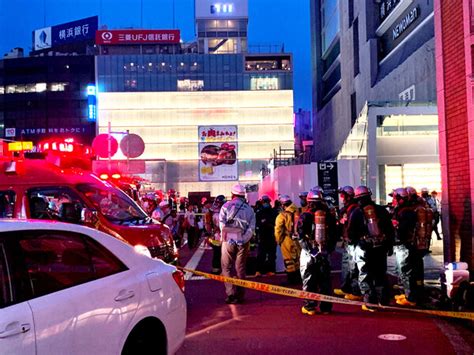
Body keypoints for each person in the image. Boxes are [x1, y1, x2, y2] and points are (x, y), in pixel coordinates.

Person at [351, 186, 394, 311]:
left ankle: (370, 302)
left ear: (358, 199)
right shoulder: (382, 210)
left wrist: (357, 242)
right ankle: (383, 300)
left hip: (364, 248)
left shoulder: (357, 212)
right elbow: (390, 230)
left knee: (365, 274)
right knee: (380, 273)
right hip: (380, 248)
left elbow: (351, 233)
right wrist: (389, 245)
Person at [297, 189, 337, 315]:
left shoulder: (305, 215)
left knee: (308, 279)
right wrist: (328, 250)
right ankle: (326, 307)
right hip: (324, 251)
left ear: (309, 202)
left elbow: (300, 235)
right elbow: (335, 235)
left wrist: (311, 250)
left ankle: (310, 306)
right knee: (325, 280)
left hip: (309, 253)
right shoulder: (329, 215)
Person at [219, 184, 256, 304]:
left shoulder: (225, 206)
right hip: (243, 242)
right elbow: (251, 228)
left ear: (232, 194)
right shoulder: (249, 209)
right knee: (240, 268)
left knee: (226, 267)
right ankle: (240, 295)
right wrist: (243, 239)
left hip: (228, 240)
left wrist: (229, 236)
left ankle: (230, 294)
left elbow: (222, 225)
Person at [391, 187, 419, 307]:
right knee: (402, 271)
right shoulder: (401, 210)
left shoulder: (406, 212)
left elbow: (404, 229)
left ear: (401, 199)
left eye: (395, 198)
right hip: (401, 244)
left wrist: (396, 225)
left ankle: (411, 297)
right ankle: (406, 294)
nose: (393, 200)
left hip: (404, 244)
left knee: (406, 271)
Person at [334, 186, 361, 300]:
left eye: (343, 195)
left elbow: (351, 226)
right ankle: (346, 288)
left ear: (349, 196)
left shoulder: (354, 208)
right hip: (348, 241)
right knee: (347, 265)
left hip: (353, 242)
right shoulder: (348, 208)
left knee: (353, 266)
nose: (341, 197)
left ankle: (355, 291)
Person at [274, 195, 301, 285]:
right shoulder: (298, 211)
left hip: (287, 240)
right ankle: (299, 278)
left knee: (289, 261)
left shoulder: (282, 215)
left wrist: (279, 241)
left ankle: (291, 279)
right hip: (297, 240)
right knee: (298, 259)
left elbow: (278, 230)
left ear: (282, 204)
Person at [255, 195, 278, 276]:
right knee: (261, 254)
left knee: (272, 254)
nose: (266, 203)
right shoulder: (259, 213)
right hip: (262, 236)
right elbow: (256, 224)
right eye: (264, 202)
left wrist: (267, 223)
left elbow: (276, 223)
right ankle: (258, 271)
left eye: (267, 202)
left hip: (272, 235)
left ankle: (271, 270)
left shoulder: (274, 212)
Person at [205, 195, 226, 274]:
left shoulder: (211, 212)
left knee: (217, 253)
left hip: (216, 236)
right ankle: (220, 269)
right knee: (221, 253)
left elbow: (208, 226)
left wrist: (209, 234)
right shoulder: (223, 212)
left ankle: (216, 268)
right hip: (221, 236)